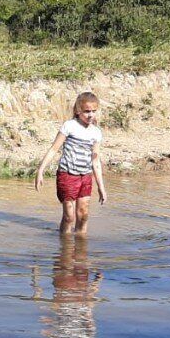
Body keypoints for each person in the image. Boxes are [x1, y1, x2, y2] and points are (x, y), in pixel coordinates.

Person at [34, 91, 107, 234]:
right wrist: (40, 170)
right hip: (67, 175)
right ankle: (65, 250)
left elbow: (95, 161)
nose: (90, 115)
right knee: (69, 216)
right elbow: (54, 149)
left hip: (85, 176)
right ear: (78, 110)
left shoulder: (96, 132)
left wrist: (101, 187)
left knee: (83, 215)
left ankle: (81, 251)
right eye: (86, 111)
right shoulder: (69, 126)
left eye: (93, 111)